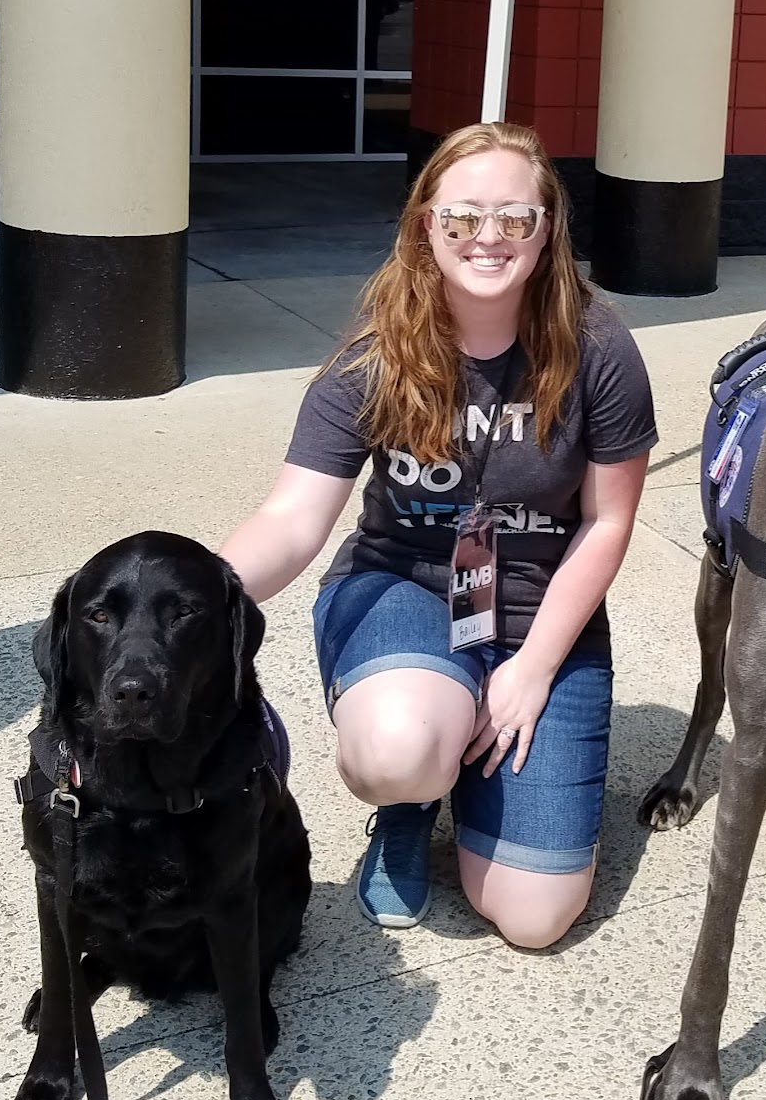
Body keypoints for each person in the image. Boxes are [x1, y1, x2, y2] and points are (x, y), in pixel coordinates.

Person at [220, 122, 656, 950]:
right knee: (397, 751)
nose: (489, 236)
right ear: (427, 225)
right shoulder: (379, 353)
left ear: (547, 230)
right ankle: (413, 799)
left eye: (515, 218)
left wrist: (533, 668)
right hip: (405, 585)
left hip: (536, 610)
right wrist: (200, 591)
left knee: (533, 918)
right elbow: (293, 517)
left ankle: (469, 752)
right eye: (462, 217)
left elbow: (607, 522)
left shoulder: (598, 348)